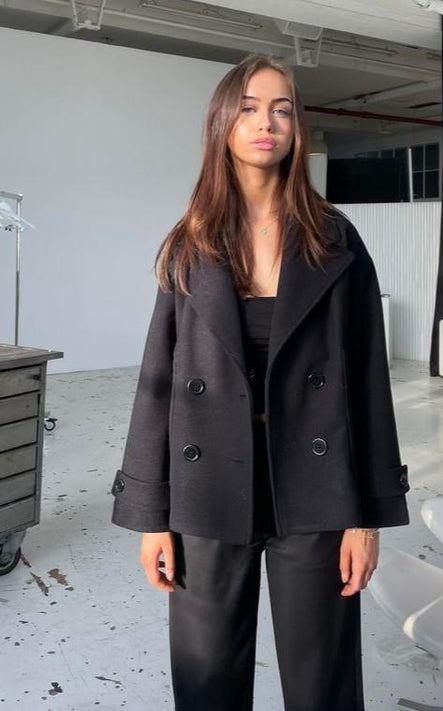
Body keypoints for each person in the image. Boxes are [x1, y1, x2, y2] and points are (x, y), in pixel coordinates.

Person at [110, 52, 410, 711]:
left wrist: (367, 515)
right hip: (208, 492)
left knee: (323, 684)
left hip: (317, 489)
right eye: (247, 108)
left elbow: (367, 384)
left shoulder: (335, 239)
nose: (265, 122)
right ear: (222, 123)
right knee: (206, 682)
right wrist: (151, 516)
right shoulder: (190, 243)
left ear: (297, 127)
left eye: (281, 109)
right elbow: (158, 380)